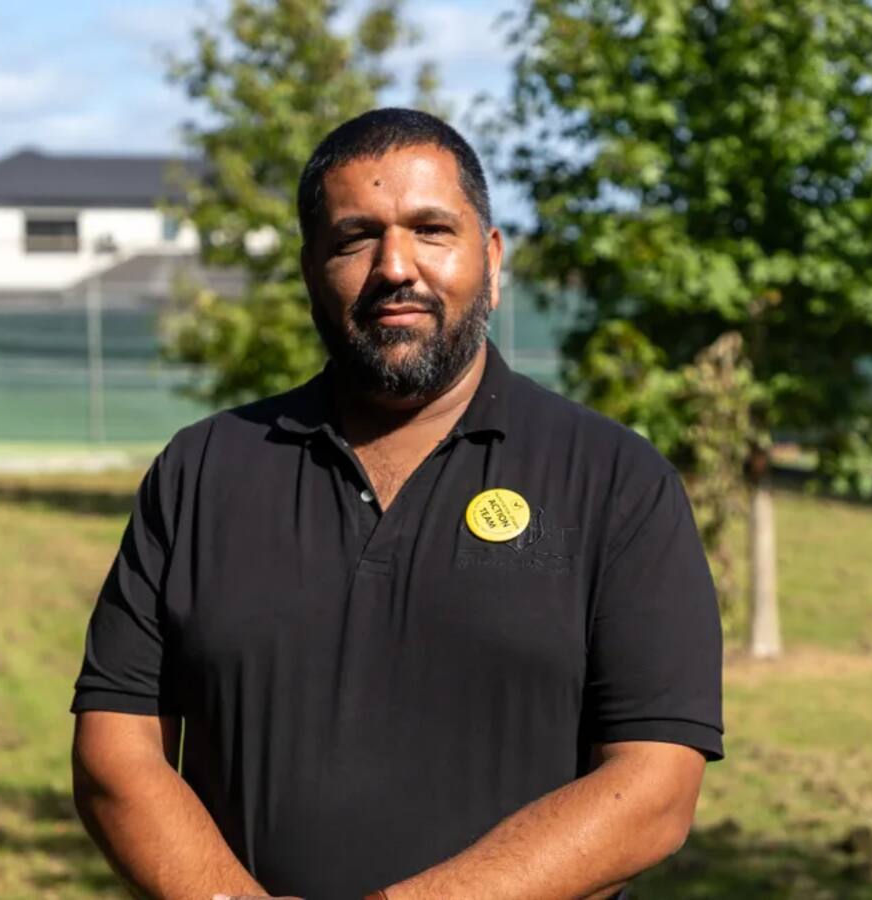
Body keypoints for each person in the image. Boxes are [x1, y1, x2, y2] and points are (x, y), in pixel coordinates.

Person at [70, 107, 724, 900]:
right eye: (355, 238)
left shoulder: (617, 479)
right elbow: (117, 750)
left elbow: (653, 792)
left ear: (490, 256)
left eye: (431, 230)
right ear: (312, 267)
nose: (395, 267)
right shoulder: (203, 470)